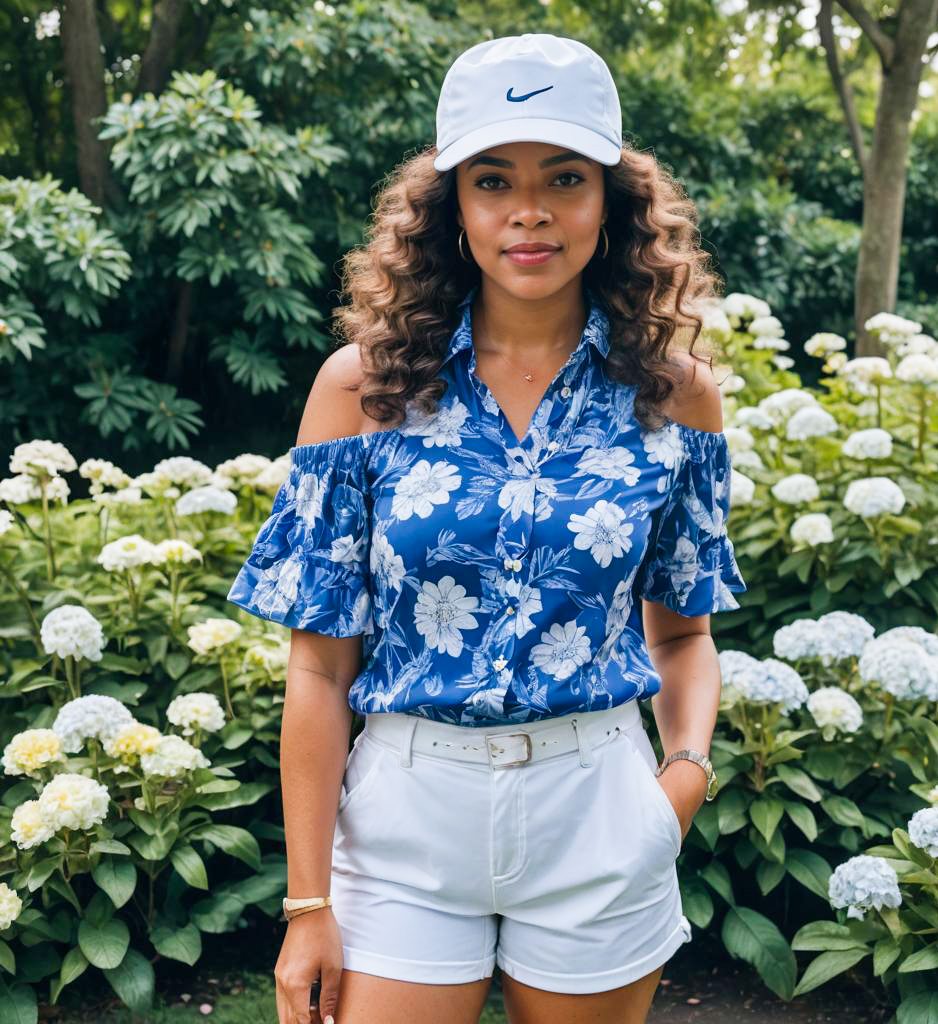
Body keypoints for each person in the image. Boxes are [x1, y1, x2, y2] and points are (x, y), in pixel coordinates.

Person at [227, 31, 747, 1024]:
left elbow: (682, 633)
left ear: (613, 201)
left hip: (599, 806)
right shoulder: (362, 391)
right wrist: (307, 902)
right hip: (407, 819)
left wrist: (676, 784)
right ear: (450, 204)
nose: (530, 211)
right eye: (493, 179)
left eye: (564, 177)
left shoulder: (678, 397)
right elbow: (317, 668)